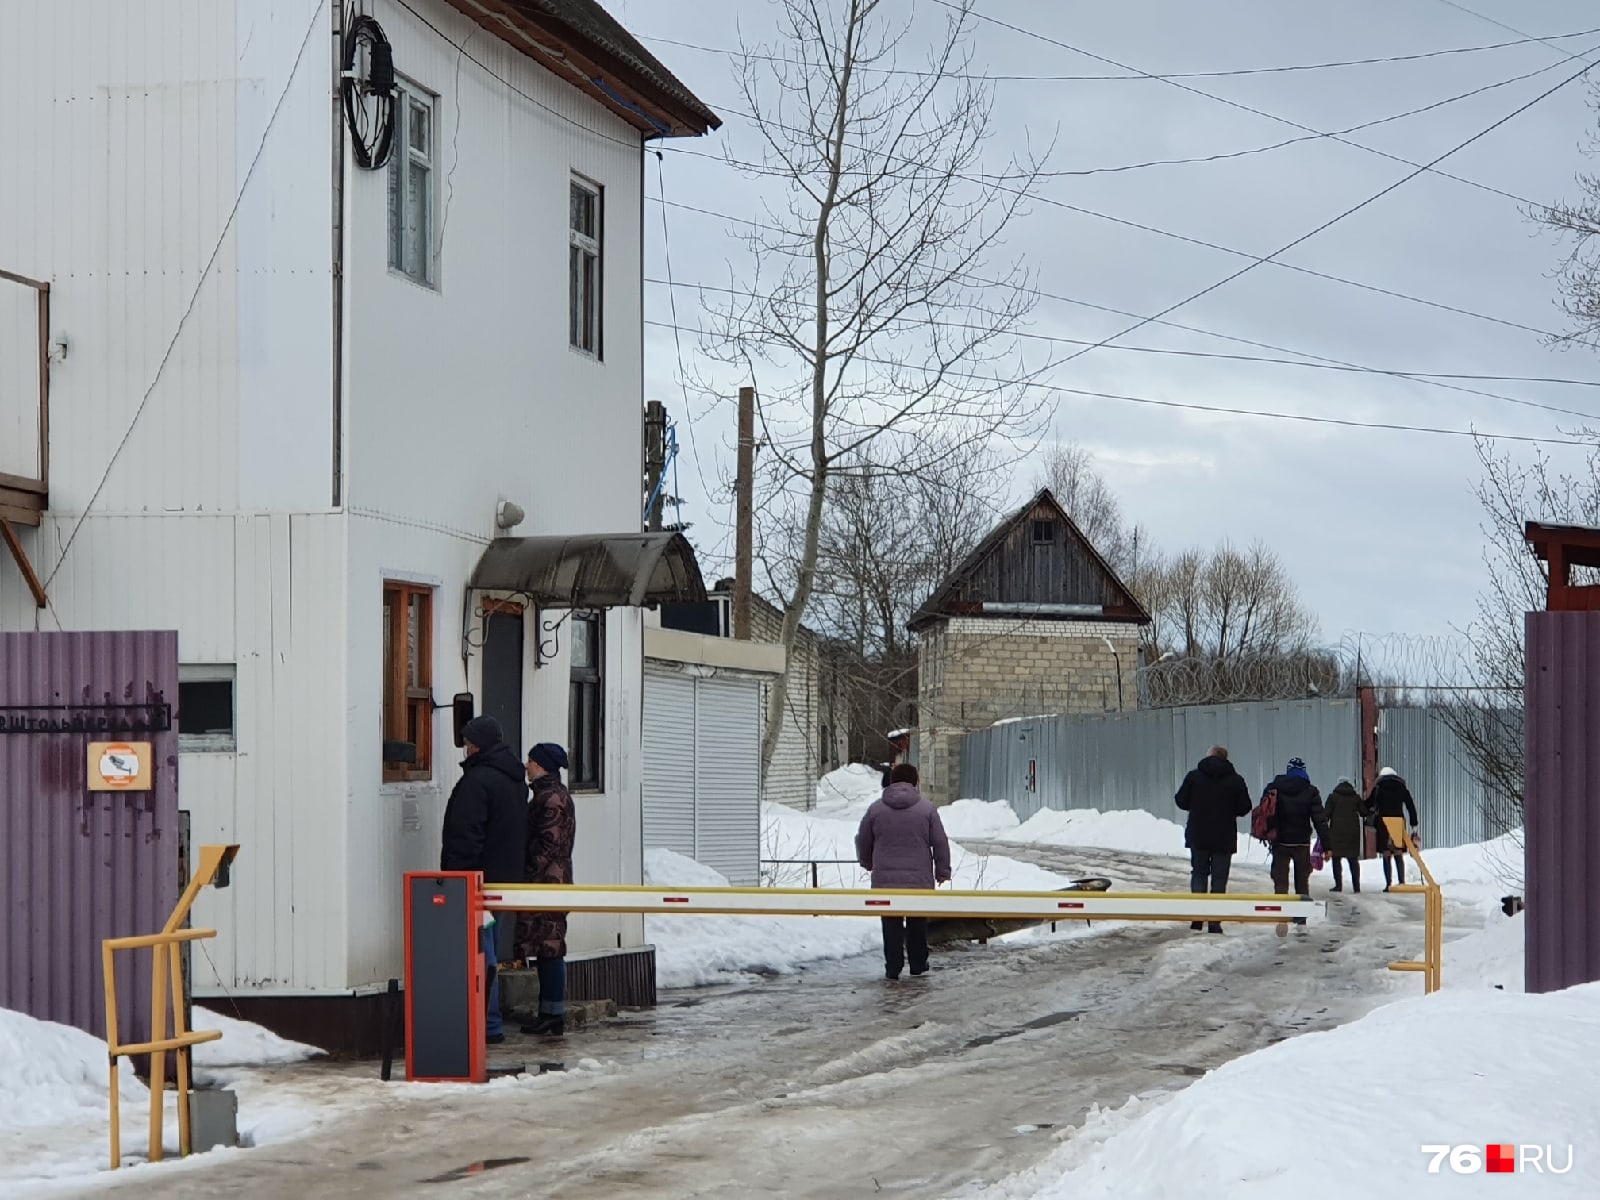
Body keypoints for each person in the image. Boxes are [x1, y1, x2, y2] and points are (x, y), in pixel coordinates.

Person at [440, 715, 529, 1045]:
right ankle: (488, 1021)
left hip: (476, 882)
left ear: (478, 745)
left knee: (480, 952)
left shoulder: (477, 783)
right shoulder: (515, 780)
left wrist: (455, 878)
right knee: (489, 946)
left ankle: (487, 1023)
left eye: (469, 742)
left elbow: (465, 836)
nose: (466, 747)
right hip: (504, 882)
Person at [855, 763, 951, 980]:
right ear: (915, 782)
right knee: (917, 923)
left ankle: (893, 966)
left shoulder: (875, 809)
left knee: (891, 923)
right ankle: (918, 965)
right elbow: (940, 842)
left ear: (891, 781)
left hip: (885, 880)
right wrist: (942, 871)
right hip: (919, 880)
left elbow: (863, 839)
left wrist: (867, 862)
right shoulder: (927, 809)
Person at [516, 742, 577, 1037]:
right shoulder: (552, 794)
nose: (526, 765)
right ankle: (549, 1013)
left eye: (530, 761)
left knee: (550, 948)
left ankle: (552, 1014)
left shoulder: (550, 799)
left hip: (548, 883)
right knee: (547, 948)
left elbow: (548, 844)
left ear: (541, 765)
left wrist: (526, 870)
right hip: (553, 880)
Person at [1174, 745, 1253, 933]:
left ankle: (1197, 917)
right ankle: (1215, 920)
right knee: (1219, 877)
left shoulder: (1194, 777)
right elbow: (1244, 807)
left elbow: (1181, 801)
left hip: (1198, 835)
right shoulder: (1236, 780)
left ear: (1209, 757)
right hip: (1224, 836)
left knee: (1199, 873)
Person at [1264, 756, 1332, 936]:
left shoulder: (1274, 788)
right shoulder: (1310, 791)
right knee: (1302, 880)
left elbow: (1265, 812)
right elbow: (1320, 820)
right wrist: (1327, 845)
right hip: (1301, 842)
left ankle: (1281, 917)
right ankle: (1301, 921)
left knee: (1280, 880)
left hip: (1280, 841)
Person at [1367, 766, 1420, 891]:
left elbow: (1369, 803)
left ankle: (1388, 884)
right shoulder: (1401, 788)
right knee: (1398, 852)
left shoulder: (1378, 788)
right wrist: (1414, 822)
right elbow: (1410, 805)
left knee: (1386, 853)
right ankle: (1401, 882)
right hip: (1398, 821)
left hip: (1383, 822)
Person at [1323, 778, 1369, 894]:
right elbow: (1364, 812)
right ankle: (1356, 887)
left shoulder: (1333, 797)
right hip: (1352, 833)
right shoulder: (1355, 797)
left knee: (1336, 859)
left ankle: (1338, 885)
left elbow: (1326, 815)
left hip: (1336, 832)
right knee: (1353, 860)